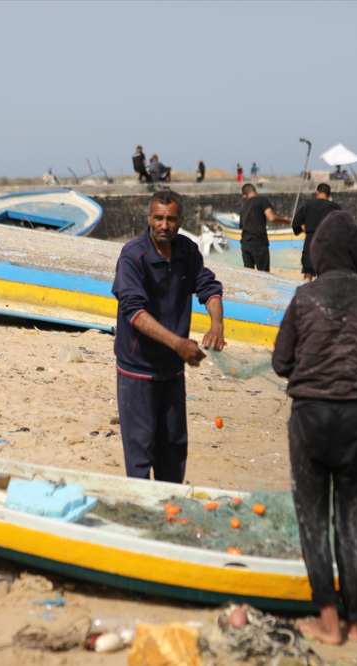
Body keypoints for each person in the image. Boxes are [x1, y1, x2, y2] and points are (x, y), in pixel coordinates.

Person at [272, 212, 357, 645]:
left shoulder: (303, 297)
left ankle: (328, 621)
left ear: (316, 253)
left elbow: (280, 363)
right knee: (351, 522)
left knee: (313, 520)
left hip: (309, 418)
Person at [112, 190, 226, 482]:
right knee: (140, 452)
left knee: (173, 448)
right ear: (149, 218)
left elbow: (209, 288)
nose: (164, 225)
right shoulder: (132, 256)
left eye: (171, 219)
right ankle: (142, 514)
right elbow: (134, 312)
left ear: (181, 220)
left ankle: (170, 510)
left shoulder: (187, 252)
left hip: (172, 372)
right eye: (158, 218)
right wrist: (178, 343)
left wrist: (217, 325)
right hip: (138, 369)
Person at [291, 183, 340, 281]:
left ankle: (306, 294)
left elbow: (295, 224)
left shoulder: (308, 205)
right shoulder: (335, 207)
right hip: (327, 241)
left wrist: (303, 227)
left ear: (317, 192)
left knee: (308, 272)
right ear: (329, 194)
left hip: (311, 240)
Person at [239, 183, 291, 272]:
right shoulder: (262, 200)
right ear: (256, 191)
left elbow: (242, 226)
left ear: (244, 195)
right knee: (264, 274)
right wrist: (285, 220)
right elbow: (271, 218)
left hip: (245, 244)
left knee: (247, 275)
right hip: (258, 243)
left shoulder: (243, 207)